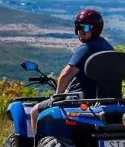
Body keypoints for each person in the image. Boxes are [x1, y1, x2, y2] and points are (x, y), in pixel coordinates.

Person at [28, 8, 114, 138]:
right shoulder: (108, 47)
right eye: (78, 27)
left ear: (95, 29)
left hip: (77, 100)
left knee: (35, 112)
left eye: (84, 28)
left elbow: (65, 75)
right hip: (105, 102)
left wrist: (58, 96)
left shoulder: (86, 48)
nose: (80, 32)